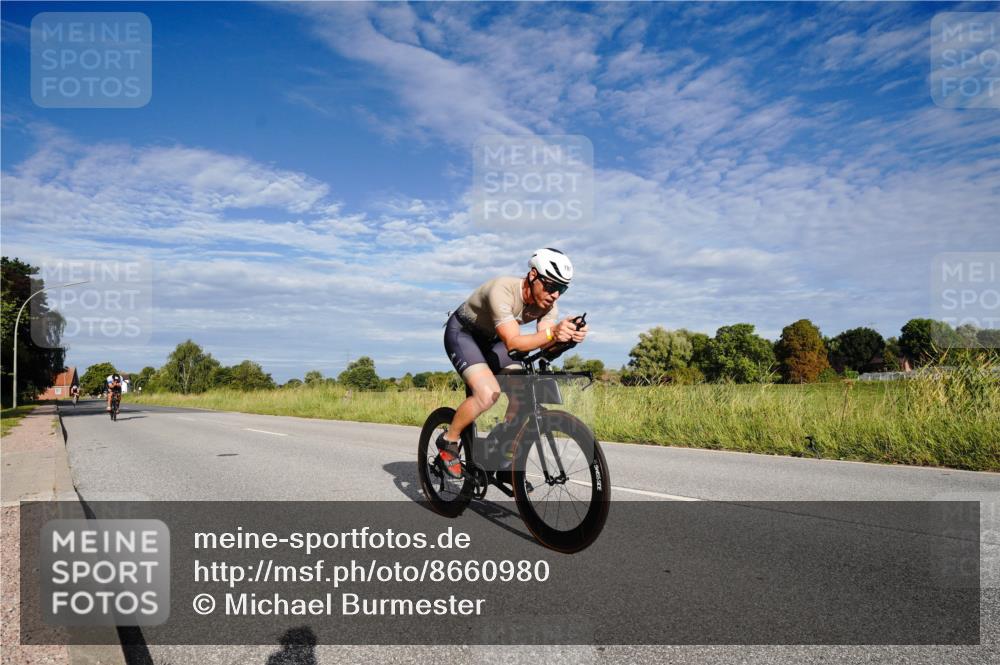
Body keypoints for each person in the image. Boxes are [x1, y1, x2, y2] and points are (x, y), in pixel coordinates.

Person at [438, 248, 588, 477]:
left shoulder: (548, 305)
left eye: (562, 289)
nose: (555, 294)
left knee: (524, 395)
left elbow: (545, 346)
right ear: (533, 275)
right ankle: (449, 441)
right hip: (464, 334)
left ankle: (502, 451)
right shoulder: (502, 289)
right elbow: (514, 343)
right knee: (488, 394)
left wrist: (568, 339)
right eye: (550, 286)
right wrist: (553, 334)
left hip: (495, 340)